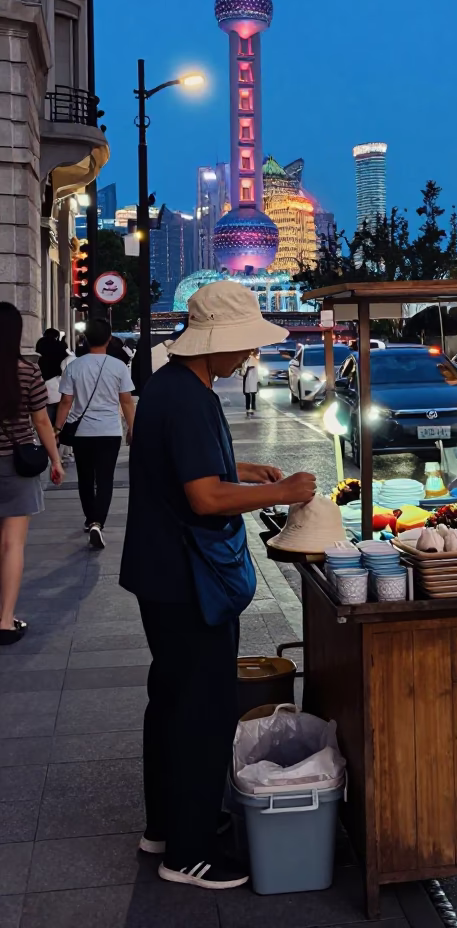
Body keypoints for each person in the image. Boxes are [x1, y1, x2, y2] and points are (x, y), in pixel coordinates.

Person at [120, 281, 316, 892]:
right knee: (202, 712)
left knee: (170, 701)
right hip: (188, 580)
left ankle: (166, 827)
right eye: (242, 345)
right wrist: (280, 493)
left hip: (160, 573)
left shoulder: (170, 387)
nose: (246, 356)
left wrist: (245, 474)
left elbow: (196, 472)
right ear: (217, 344)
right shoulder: (191, 399)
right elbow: (203, 496)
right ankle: (190, 851)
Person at [0, 303, 64, 645]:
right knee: (12, 544)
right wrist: (56, 460)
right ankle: (5, 621)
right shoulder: (27, 372)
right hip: (16, 465)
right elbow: (41, 421)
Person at [55, 318, 136, 550]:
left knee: (86, 479)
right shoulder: (118, 366)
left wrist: (57, 429)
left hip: (82, 433)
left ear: (85, 339)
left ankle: (91, 519)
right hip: (109, 432)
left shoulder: (74, 367)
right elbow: (127, 402)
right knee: (105, 479)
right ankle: (98, 522)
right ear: (109, 340)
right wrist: (133, 429)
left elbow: (65, 402)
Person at [242, 349, 259, 417]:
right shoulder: (250, 359)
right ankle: (250, 409)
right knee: (249, 394)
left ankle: (250, 409)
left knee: (250, 394)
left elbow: (248, 368)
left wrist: (245, 372)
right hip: (249, 380)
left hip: (250, 379)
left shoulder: (251, 359)